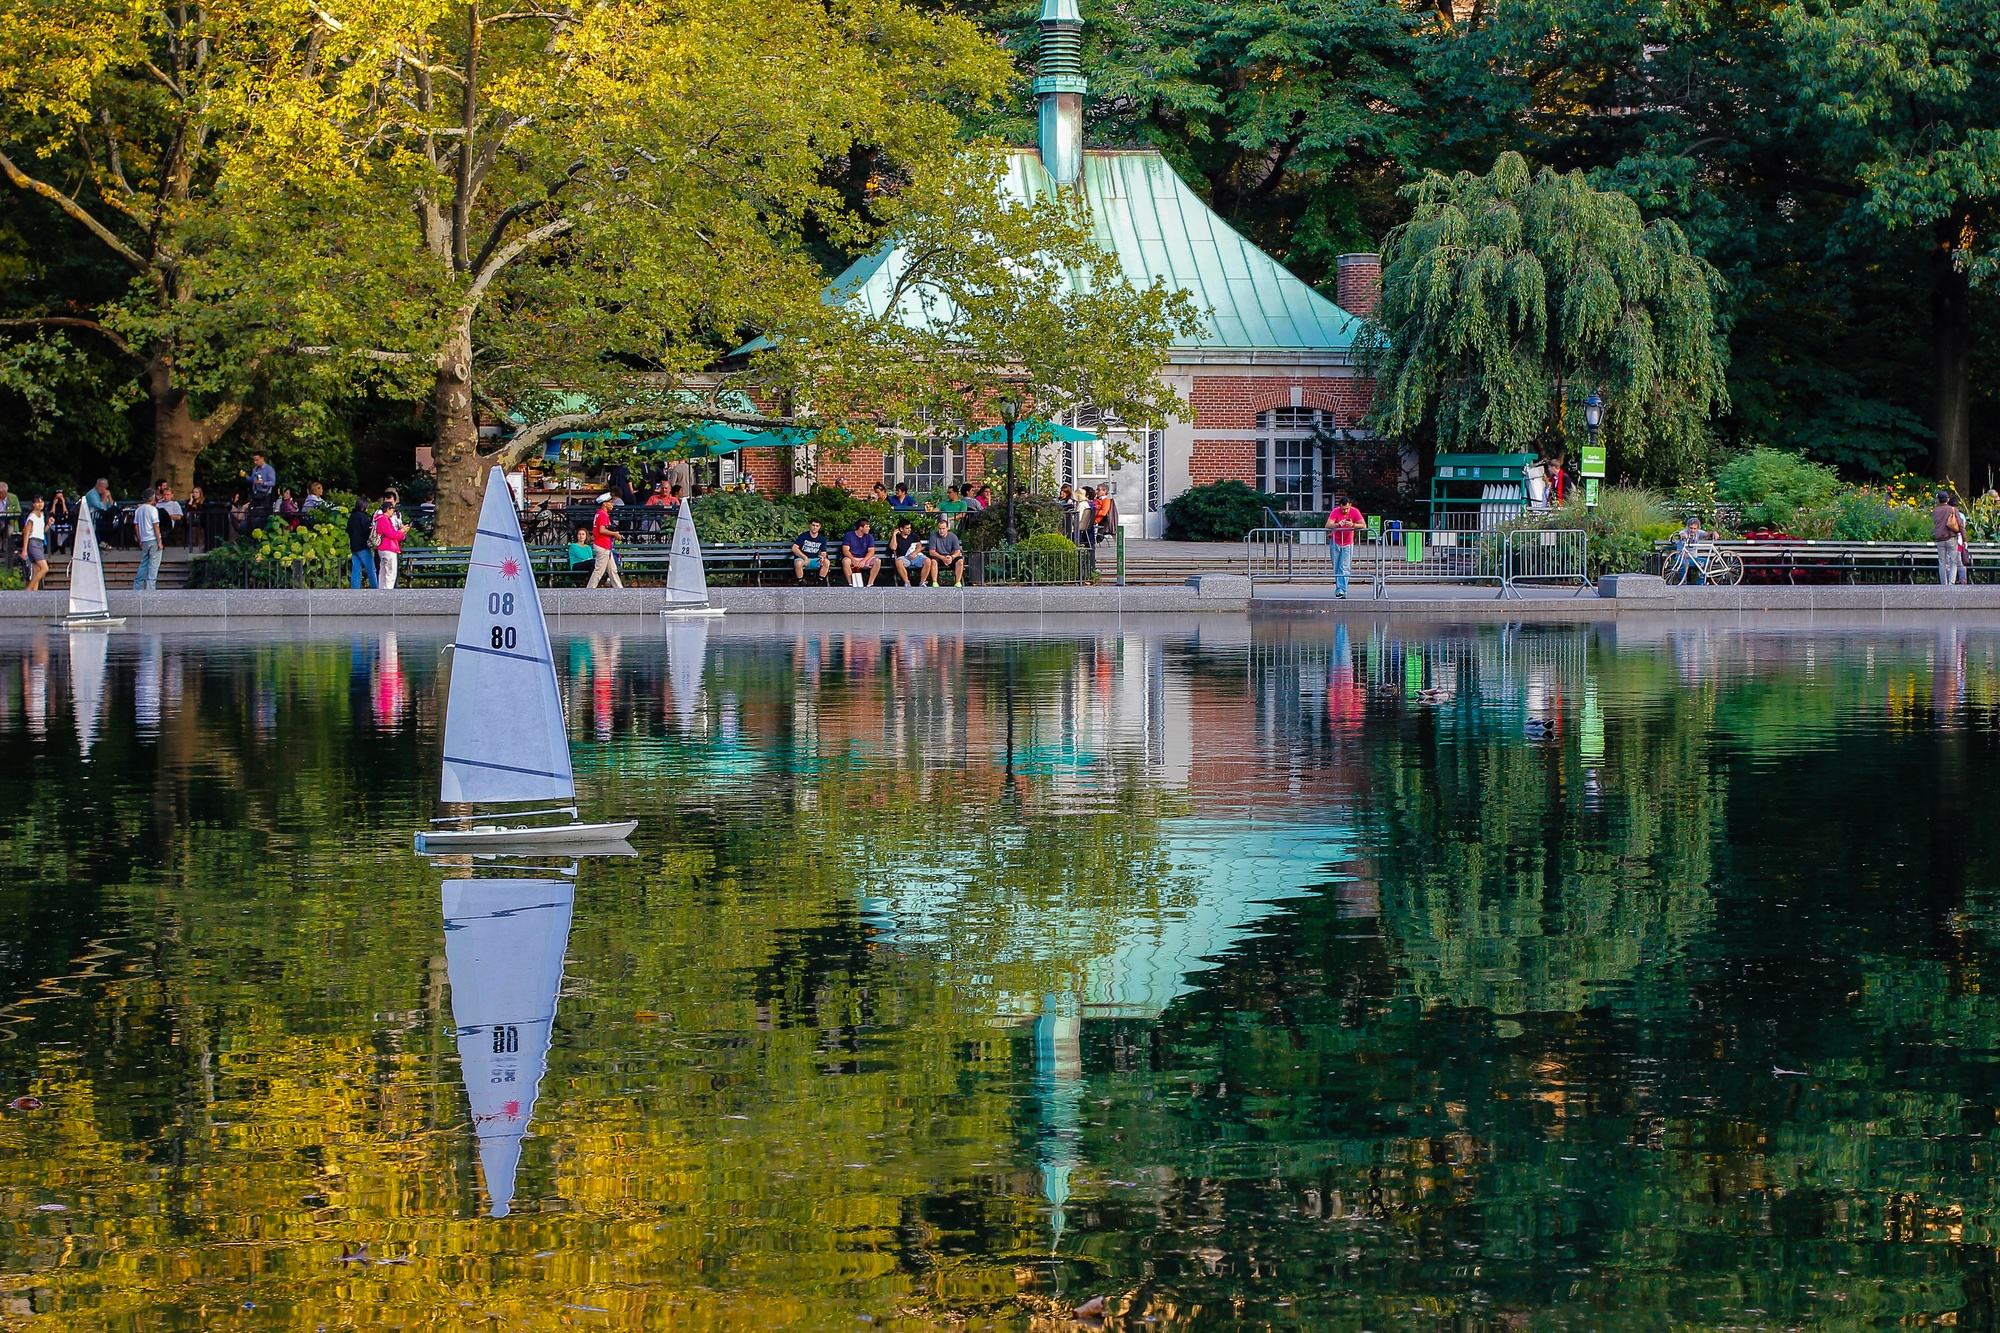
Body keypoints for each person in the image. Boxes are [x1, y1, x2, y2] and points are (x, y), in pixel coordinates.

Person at [1323, 488, 1365, 599]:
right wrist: (1337, 525)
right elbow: (1328, 525)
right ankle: (1340, 589)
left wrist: (1353, 525)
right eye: (1343, 509)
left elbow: (1363, 525)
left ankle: (1341, 590)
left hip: (1348, 542)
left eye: (1347, 509)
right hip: (1335, 541)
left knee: (1345, 566)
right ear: (1340, 506)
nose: (1345, 511)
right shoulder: (1335, 511)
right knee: (1337, 566)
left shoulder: (1355, 511)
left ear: (1350, 505)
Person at [586, 492, 622, 588]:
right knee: (599, 571)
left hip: (605, 546)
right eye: (610, 502)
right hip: (603, 545)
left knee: (613, 570)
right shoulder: (603, 514)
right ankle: (589, 590)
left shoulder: (599, 514)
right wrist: (614, 534)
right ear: (604, 503)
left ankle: (620, 590)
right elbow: (602, 530)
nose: (612, 504)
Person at [373, 493, 407, 588]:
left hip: (382, 548)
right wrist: (401, 532)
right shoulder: (384, 520)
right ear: (388, 509)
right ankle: (388, 591)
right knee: (390, 571)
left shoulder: (379, 519)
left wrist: (401, 533)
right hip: (389, 547)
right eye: (392, 509)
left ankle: (382, 589)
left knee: (383, 570)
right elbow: (391, 533)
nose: (393, 512)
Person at [132, 487, 163, 589]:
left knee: (144, 563)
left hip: (144, 539)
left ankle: (137, 585)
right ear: (153, 498)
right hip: (153, 539)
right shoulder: (153, 510)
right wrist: (159, 541)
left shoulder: (138, 510)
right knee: (153, 565)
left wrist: (139, 539)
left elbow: (136, 526)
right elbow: (155, 526)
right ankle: (150, 587)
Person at [346, 495, 377, 588]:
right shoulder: (362, 517)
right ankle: (375, 587)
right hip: (363, 546)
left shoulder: (352, 516)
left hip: (354, 546)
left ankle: (355, 588)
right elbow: (366, 531)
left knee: (356, 569)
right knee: (371, 569)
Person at [1935, 490, 1965, 585]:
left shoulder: (1935, 511)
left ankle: (1944, 583)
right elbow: (1960, 524)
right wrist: (1964, 538)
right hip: (1951, 538)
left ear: (1938, 500)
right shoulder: (1952, 509)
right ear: (1947, 499)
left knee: (1942, 562)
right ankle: (1951, 582)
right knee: (1953, 561)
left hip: (1940, 539)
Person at [19, 495, 48, 591]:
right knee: (44, 568)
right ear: (33, 504)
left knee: (37, 570)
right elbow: (26, 532)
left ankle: (34, 592)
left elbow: (42, 530)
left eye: (41, 502)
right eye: (38, 502)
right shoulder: (32, 516)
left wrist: (48, 525)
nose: (40, 504)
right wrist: (24, 549)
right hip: (33, 542)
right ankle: (28, 589)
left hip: (40, 541)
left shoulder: (42, 515)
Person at [926, 516, 965, 587]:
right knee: (933, 562)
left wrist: (951, 557)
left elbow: (958, 551)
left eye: (943, 529)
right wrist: (942, 558)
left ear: (947, 528)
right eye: (940, 529)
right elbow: (932, 552)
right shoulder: (933, 536)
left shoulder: (953, 537)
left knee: (960, 561)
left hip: (950, 556)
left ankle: (958, 582)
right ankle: (934, 582)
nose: (942, 531)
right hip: (939, 557)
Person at [841, 518, 880, 586]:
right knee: (845, 561)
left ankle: (870, 583)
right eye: (867, 526)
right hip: (852, 557)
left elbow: (871, 551)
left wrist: (864, 561)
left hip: (865, 558)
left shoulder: (869, 537)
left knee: (877, 561)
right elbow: (845, 550)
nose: (869, 528)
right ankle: (851, 583)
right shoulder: (848, 535)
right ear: (861, 527)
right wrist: (853, 560)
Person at [890, 516, 928, 586]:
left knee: (928, 561)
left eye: (910, 528)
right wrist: (894, 534)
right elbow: (893, 547)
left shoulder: (913, 536)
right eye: (907, 528)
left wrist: (915, 553)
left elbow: (919, 546)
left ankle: (922, 582)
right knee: (898, 562)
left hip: (915, 556)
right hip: (904, 558)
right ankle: (907, 582)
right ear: (901, 529)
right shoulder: (897, 538)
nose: (909, 530)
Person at [791, 519, 831, 584]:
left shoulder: (822, 539)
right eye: (813, 525)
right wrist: (805, 557)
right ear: (810, 525)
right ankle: (801, 582)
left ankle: (820, 582)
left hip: (814, 560)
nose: (815, 527)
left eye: (817, 526)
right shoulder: (803, 536)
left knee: (826, 562)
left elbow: (823, 552)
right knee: (798, 563)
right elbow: (794, 548)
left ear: (820, 527)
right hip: (802, 559)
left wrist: (822, 557)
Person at [83, 478, 115, 547]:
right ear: (96, 485)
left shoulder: (104, 494)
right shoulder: (91, 494)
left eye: (104, 487)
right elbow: (101, 507)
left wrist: (109, 497)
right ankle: (100, 541)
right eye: (100, 486)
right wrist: (105, 496)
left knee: (113, 519)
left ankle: (106, 542)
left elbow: (112, 507)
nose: (101, 489)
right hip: (90, 518)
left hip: (102, 518)